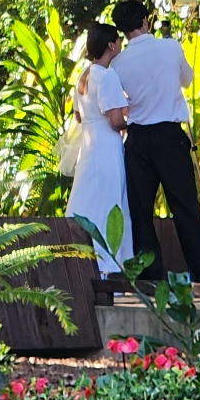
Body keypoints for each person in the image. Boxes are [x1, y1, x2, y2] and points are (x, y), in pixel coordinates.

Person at [110, 0, 200, 282]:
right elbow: (187, 80)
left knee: (141, 212)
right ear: (146, 21)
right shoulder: (171, 48)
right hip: (170, 137)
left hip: (138, 141)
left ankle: (150, 277)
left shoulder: (118, 63)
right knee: (185, 208)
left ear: (121, 31)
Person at [65, 22, 134, 275]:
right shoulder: (107, 76)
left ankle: (80, 263)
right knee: (109, 203)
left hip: (88, 146)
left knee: (86, 200)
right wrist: (132, 121)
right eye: (118, 41)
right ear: (110, 45)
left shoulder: (84, 76)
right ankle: (108, 265)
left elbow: (79, 116)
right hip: (106, 148)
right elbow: (115, 121)